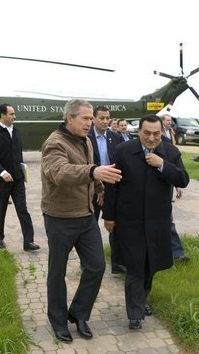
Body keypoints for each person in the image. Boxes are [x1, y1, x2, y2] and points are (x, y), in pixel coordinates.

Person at [41, 99, 122, 343]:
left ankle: (78, 313)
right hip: (60, 218)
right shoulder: (54, 143)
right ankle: (57, 321)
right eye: (85, 118)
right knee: (58, 272)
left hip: (86, 216)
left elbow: (88, 169)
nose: (90, 123)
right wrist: (93, 172)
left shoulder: (85, 141)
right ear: (70, 119)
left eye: (91, 118)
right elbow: (59, 173)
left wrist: (97, 186)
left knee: (97, 266)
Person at [103, 114, 189, 330]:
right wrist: (109, 216)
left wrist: (162, 165)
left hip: (157, 222)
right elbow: (112, 185)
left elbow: (183, 179)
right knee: (134, 267)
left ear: (161, 132)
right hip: (129, 221)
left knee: (150, 265)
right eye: (146, 133)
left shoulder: (170, 152)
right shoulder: (123, 151)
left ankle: (141, 301)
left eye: (156, 134)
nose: (151, 138)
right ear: (138, 131)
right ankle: (135, 314)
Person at [0, 103, 39, 251]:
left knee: (23, 210)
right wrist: (2, 172)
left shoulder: (16, 131)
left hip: (18, 179)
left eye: (14, 114)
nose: (14, 116)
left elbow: (18, 154)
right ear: (2, 115)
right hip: (1, 181)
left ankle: (28, 241)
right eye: (11, 114)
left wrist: (23, 170)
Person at [87, 106, 125, 274]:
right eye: (101, 118)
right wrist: (98, 187)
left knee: (116, 226)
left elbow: (123, 163)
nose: (104, 121)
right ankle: (88, 262)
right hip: (91, 186)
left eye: (107, 118)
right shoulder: (85, 137)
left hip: (113, 188)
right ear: (93, 119)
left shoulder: (115, 137)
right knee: (90, 226)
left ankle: (117, 262)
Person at [161, 114, 190, 263]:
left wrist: (177, 184)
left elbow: (177, 169)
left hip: (165, 189)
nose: (169, 122)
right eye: (166, 120)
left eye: (169, 120)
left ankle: (177, 253)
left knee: (168, 222)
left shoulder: (168, 140)